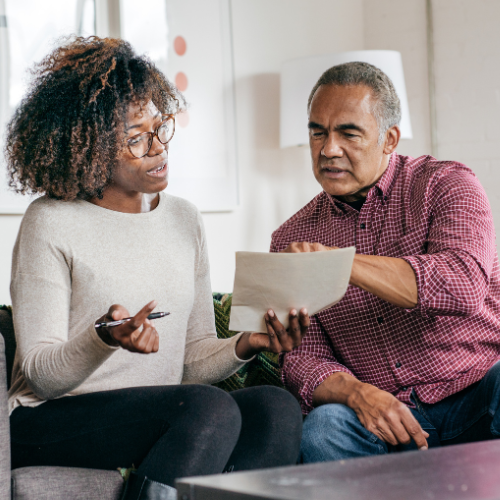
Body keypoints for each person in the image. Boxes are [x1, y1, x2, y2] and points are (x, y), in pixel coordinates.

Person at [4, 37, 308, 500]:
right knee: (207, 410)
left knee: (274, 407)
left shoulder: (183, 219)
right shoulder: (50, 221)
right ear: (88, 148)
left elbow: (189, 359)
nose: (157, 147)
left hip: (162, 412)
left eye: (159, 126)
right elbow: (41, 372)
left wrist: (247, 344)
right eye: (135, 138)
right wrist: (104, 336)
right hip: (52, 419)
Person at [271, 61, 500, 463]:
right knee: (324, 430)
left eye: (348, 133)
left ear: (389, 138)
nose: (328, 150)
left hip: (479, 392)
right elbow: (301, 357)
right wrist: (357, 393)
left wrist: (339, 265)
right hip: (386, 415)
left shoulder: (445, 185)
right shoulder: (290, 239)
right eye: (318, 132)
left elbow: (462, 284)